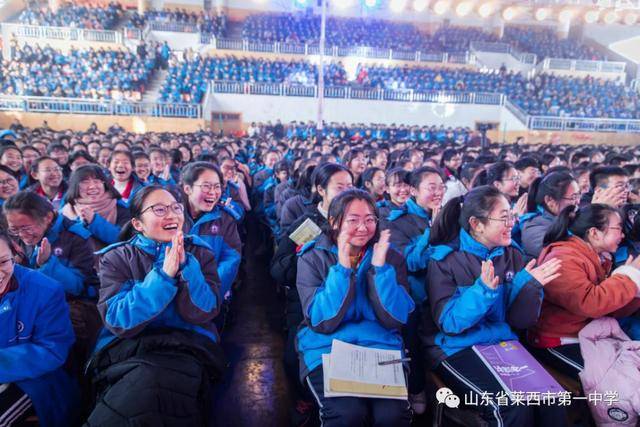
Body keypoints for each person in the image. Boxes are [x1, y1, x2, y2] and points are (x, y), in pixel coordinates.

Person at [421, 185, 565, 426]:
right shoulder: (445, 260)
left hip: (501, 342)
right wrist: (483, 291)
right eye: (504, 217)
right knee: (510, 408)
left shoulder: (512, 255)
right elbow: (450, 323)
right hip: (457, 347)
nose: (511, 223)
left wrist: (529, 287)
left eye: (512, 215)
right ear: (477, 224)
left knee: (552, 400)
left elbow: (520, 321)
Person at [86, 185, 224, 425]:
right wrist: (163, 276)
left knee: (163, 388)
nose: (171, 215)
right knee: (143, 385)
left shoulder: (200, 253)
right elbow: (119, 320)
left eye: (175, 208)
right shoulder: (117, 258)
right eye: (159, 209)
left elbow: (205, 311)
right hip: (130, 345)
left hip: (188, 342)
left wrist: (186, 268)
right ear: (138, 224)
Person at [297, 189, 414, 426]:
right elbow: (322, 321)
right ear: (334, 222)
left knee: (392, 417)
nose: (363, 227)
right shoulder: (312, 257)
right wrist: (342, 269)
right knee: (346, 415)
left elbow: (396, 319)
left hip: (380, 347)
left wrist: (380, 270)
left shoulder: (391, 257)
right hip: (328, 348)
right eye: (353, 220)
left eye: (370, 219)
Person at [528, 204, 640, 379]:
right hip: (558, 339)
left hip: (589, 333)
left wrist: (633, 288)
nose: (623, 234)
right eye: (618, 228)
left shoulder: (597, 257)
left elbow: (610, 310)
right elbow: (591, 304)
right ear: (594, 233)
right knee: (614, 379)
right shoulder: (563, 257)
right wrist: (628, 277)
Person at [0, 230, 79, 427]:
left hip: (34, 379)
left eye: (3, 262)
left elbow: (53, 349)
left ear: (14, 253)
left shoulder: (45, 290)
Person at [182, 162, 241, 302]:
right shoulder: (171, 216)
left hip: (210, 294)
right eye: (206, 186)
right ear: (187, 189)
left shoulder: (225, 218)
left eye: (217, 187)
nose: (213, 192)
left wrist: (209, 293)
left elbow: (230, 259)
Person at [61, 165, 130, 248]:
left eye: (97, 181)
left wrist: (94, 220)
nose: (92, 186)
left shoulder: (119, 206)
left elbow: (124, 239)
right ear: (75, 186)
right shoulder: (66, 211)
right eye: (85, 182)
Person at [520, 172, 581, 259]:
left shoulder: (571, 218)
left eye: (578, 195)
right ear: (550, 200)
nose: (578, 202)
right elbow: (564, 255)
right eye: (573, 197)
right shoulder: (533, 228)